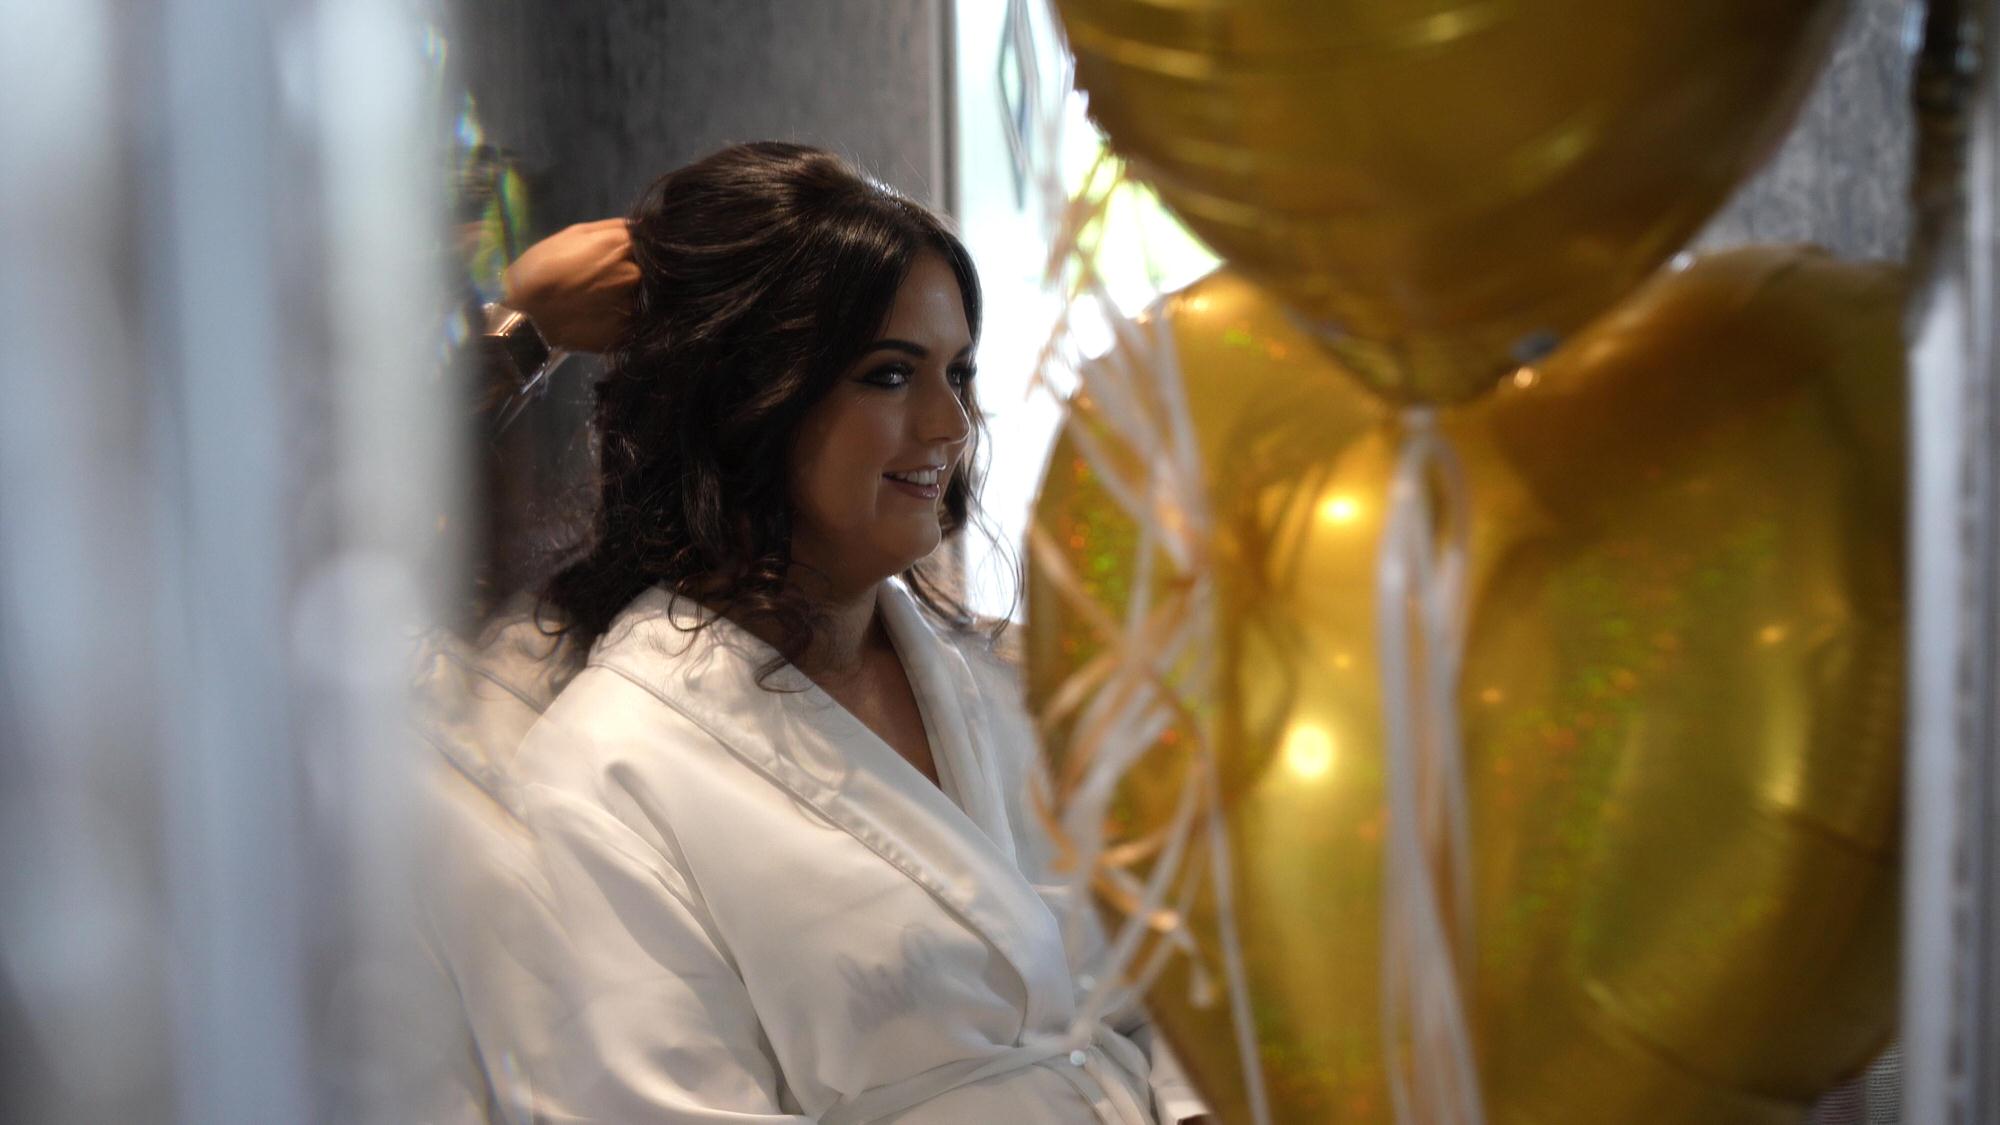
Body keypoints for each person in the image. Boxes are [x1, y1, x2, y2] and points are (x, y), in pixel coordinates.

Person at [450, 141, 1206, 1123]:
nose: (948, 425)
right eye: (889, 376)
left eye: (957, 371)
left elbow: (1170, 992)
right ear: (738, 399)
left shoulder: (1008, 681)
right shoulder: (611, 770)